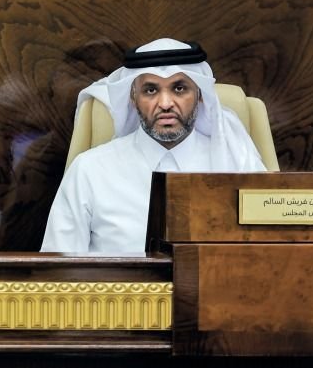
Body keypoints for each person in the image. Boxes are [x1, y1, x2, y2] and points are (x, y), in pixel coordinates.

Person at [41, 38, 266, 253]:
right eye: (151, 90)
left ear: (200, 95)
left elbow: (267, 254)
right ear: (133, 98)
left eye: (179, 89)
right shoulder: (89, 170)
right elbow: (57, 270)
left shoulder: (238, 165)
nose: (165, 104)